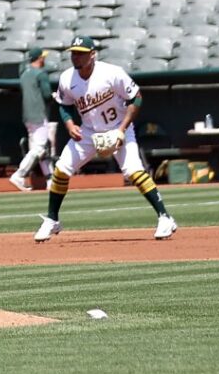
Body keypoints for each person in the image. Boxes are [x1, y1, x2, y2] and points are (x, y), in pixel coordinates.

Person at [36, 35, 174, 242]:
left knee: (134, 171)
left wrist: (122, 129)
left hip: (118, 128)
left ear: (93, 55)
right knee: (62, 169)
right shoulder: (67, 78)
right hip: (89, 131)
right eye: (73, 53)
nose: (76, 57)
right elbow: (64, 105)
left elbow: (136, 97)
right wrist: (70, 124)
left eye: (81, 53)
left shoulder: (112, 73)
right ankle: (52, 219)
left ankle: (165, 217)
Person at [9, 47, 62, 192]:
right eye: (42, 57)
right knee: (39, 147)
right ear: (39, 58)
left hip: (27, 115)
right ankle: (19, 175)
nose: (44, 59)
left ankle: (51, 180)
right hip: (38, 114)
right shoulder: (41, 74)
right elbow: (46, 95)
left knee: (41, 149)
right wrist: (55, 97)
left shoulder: (24, 74)